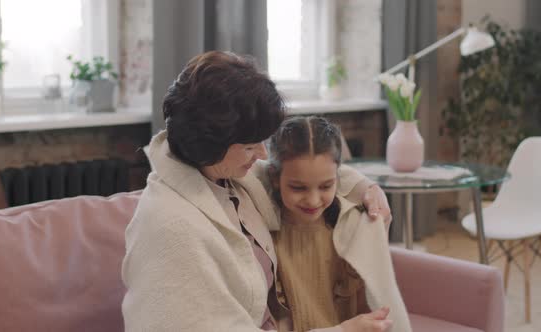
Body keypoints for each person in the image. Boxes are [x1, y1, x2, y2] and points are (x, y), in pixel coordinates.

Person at [121, 51, 392, 331]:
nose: (262, 154)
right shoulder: (172, 229)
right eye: (250, 146)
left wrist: (368, 190)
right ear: (210, 143)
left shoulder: (224, 175)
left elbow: (294, 173)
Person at [268, 116, 411, 332]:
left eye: (326, 186)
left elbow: (373, 303)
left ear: (338, 178)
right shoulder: (265, 232)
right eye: (298, 188)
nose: (314, 200)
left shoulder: (354, 226)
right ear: (274, 179)